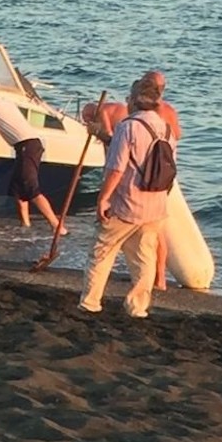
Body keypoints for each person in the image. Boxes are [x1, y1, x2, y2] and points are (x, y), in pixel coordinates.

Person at [79, 73, 174, 319]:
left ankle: (90, 304)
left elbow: (116, 168)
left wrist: (103, 198)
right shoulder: (166, 128)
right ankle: (137, 307)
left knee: (101, 252)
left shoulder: (128, 126)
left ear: (133, 100)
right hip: (155, 203)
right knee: (144, 257)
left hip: (127, 203)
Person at [0, 80, 65, 232]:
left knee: (30, 187)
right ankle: (25, 224)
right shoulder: (1, 103)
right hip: (27, 146)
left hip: (27, 146)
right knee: (18, 187)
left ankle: (57, 226)